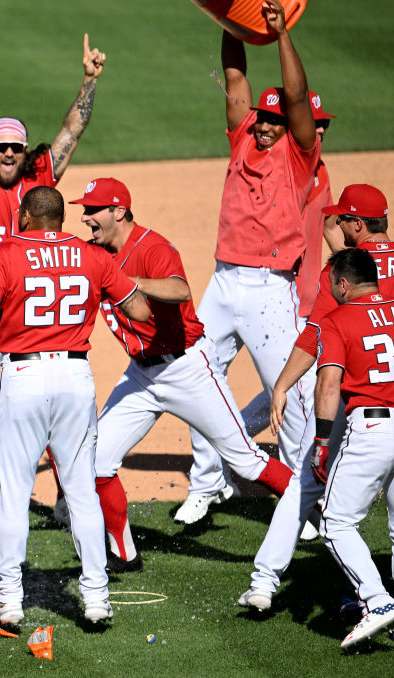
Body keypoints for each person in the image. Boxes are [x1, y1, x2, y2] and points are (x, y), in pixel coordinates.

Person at [0, 186, 149, 626]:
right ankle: (95, 597)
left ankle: (10, 600)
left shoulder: (7, 253)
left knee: (15, 493)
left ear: (26, 216)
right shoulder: (93, 257)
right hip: (76, 377)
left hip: (25, 377)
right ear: (60, 218)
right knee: (82, 493)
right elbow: (141, 310)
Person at [69, 178, 294, 573]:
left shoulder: (153, 248)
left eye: (93, 210)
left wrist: (126, 282)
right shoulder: (94, 249)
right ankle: (124, 555)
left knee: (245, 461)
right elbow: (58, 257)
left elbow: (180, 289)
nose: (85, 218)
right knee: (98, 460)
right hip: (141, 376)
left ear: (119, 211)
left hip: (188, 368)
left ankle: (321, 507)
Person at [0, 36, 106, 529]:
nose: (10, 154)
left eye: (17, 146)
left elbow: (72, 131)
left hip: (33, 307)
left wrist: (90, 80)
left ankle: (62, 495)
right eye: (1, 147)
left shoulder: (40, 177)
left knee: (48, 399)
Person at [179, 0, 321, 525]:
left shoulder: (300, 154)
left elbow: (298, 95)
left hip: (268, 290)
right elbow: (236, 75)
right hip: (222, 282)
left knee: (290, 395)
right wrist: (227, 21)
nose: (262, 126)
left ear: (291, 126)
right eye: (259, 118)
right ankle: (207, 484)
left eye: (273, 120)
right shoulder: (242, 137)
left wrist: (281, 34)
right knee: (194, 375)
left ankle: (302, 496)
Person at [237, 184, 394, 612]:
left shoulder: (344, 273)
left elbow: (316, 335)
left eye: (344, 219)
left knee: (307, 482)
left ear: (358, 224)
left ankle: (265, 582)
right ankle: (383, 595)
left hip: (350, 399)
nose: (337, 226)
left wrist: (283, 385)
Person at [196, 92, 336, 541]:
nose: (317, 131)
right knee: (291, 394)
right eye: (312, 123)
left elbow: (336, 235)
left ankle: (240, 455)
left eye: (323, 125)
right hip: (282, 295)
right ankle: (279, 485)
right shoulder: (289, 166)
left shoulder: (321, 174)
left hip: (311, 300)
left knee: (288, 392)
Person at [313, 248, 394, 648]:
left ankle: (378, 602)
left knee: (335, 523)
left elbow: (329, 385)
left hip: (372, 430)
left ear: (345, 284)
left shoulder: (337, 320)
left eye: (332, 285)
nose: (330, 291)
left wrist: (320, 440)